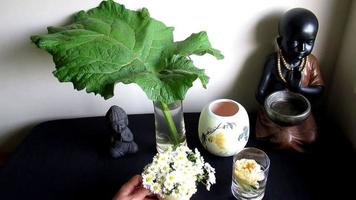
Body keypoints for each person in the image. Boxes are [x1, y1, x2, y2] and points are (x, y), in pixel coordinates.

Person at [255, 8, 324, 152]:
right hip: (274, 113)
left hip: (300, 112)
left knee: (312, 137)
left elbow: (319, 89)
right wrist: (273, 101)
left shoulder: (311, 62)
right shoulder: (273, 61)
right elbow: (260, 92)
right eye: (295, 42)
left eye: (309, 42)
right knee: (285, 139)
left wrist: (300, 89)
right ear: (281, 42)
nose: (302, 48)